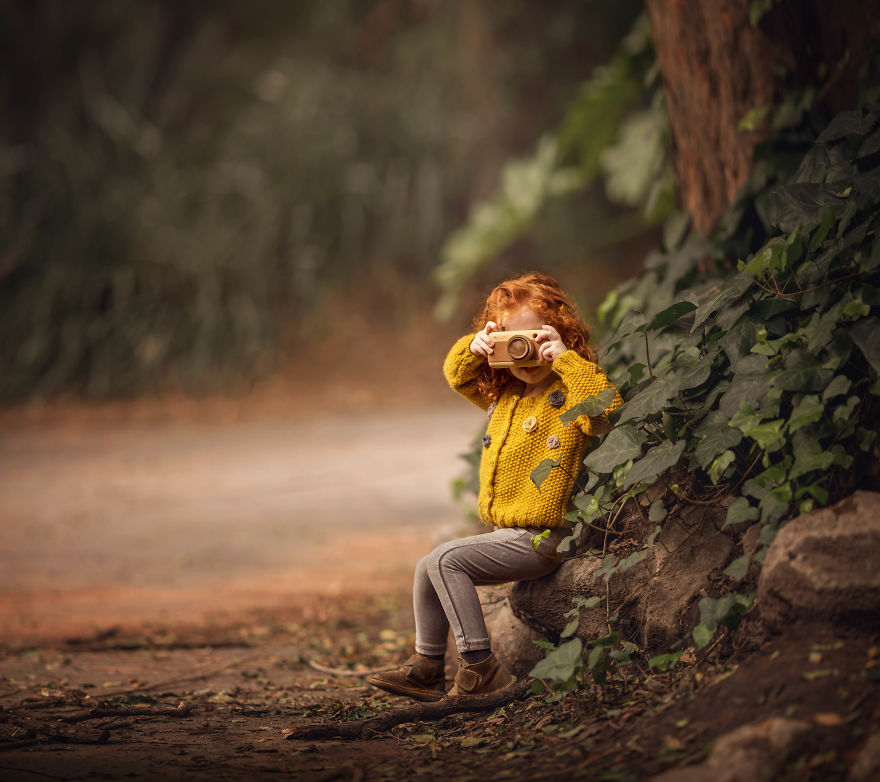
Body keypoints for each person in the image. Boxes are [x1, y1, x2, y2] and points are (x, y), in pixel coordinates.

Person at [368, 272, 622, 701]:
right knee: (425, 566)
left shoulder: (567, 392)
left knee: (446, 559)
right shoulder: (504, 395)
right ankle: (427, 667)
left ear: (559, 335)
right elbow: (456, 376)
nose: (522, 351)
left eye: (532, 338)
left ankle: (480, 668)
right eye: (509, 339)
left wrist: (565, 360)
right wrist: (475, 347)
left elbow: (607, 412)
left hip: (545, 537)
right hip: (509, 534)